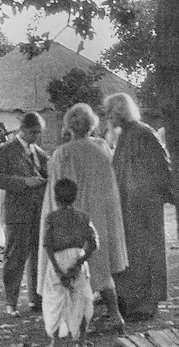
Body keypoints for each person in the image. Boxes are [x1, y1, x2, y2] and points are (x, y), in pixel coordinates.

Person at [38, 103, 127, 332]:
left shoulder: (63, 153)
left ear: (68, 126)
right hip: (98, 215)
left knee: (68, 266)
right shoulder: (102, 150)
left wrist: (54, 219)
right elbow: (110, 189)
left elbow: (56, 191)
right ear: (92, 125)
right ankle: (115, 315)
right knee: (100, 264)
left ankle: (70, 319)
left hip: (69, 219)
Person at [104, 92, 172, 321]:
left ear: (118, 111)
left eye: (109, 113)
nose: (107, 118)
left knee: (147, 253)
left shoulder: (143, 133)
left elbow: (163, 166)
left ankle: (147, 302)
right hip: (126, 205)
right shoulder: (123, 136)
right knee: (131, 253)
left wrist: (161, 195)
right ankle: (131, 300)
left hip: (144, 206)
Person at [0, 112, 49, 317]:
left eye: (39, 133)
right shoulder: (5, 150)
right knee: (15, 257)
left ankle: (36, 298)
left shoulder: (40, 153)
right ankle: (10, 302)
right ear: (23, 129)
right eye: (34, 132)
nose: (37, 136)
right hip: (17, 211)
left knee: (38, 257)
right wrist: (24, 182)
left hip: (38, 210)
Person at [40, 178, 98, 346]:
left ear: (55, 198)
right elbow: (93, 244)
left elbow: (48, 245)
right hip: (77, 261)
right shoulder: (83, 217)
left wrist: (58, 270)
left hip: (57, 262)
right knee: (81, 299)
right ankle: (81, 340)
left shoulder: (52, 218)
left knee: (56, 299)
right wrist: (78, 264)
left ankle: (55, 340)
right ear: (76, 197)